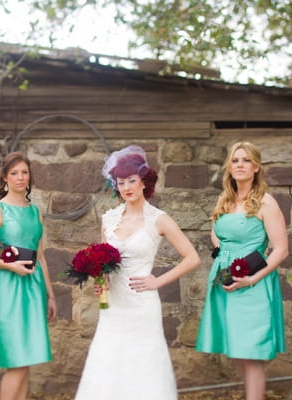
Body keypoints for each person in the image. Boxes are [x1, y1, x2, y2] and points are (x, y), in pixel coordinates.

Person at [75, 145, 201, 400]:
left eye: (132, 180)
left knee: (143, 365)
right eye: (121, 182)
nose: (127, 187)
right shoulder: (109, 219)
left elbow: (192, 258)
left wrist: (158, 280)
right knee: (109, 362)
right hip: (112, 306)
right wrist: (101, 281)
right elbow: (104, 264)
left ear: (144, 182)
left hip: (142, 305)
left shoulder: (159, 219)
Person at [195, 141, 288, 400]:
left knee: (252, 351)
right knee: (236, 348)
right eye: (235, 160)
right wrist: (224, 254)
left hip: (253, 284)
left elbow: (281, 249)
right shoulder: (224, 200)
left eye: (246, 160)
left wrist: (252, 277)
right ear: (229, 167)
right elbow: (216, 234)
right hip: (226, 279)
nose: (240, 165)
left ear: (256, 167)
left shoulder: (265, 203)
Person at [0, 152, 57, 400]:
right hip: (8, 288)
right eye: (14, 173)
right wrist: (10, 266)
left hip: (34, 287)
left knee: (27, 359)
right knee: (17, 361)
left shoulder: (35, 213)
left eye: (24, 172)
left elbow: (41, 257)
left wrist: (51, 295)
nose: (20, 178)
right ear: (4, 178)